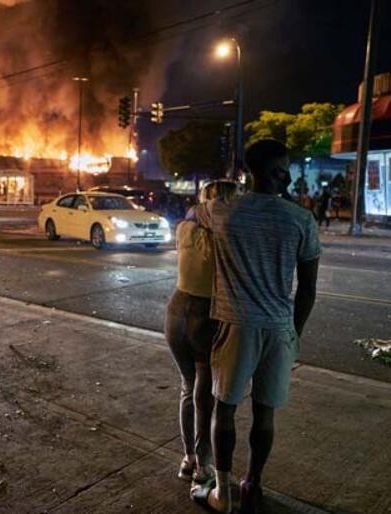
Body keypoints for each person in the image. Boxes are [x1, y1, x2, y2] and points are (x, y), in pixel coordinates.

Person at [191, 139, 320, 514]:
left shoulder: (222, 211)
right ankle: (252, 485)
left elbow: (190, 216)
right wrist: (294, 331)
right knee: (265, 413)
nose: (289, 176)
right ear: (263, 171)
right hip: (279, 329)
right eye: (282, 168)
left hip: (236, 325)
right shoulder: (301, 219)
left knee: (225, 408)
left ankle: (224, 492)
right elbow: (307, 289)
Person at [165, 180, 237, 486]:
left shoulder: (184, 227)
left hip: (176, 310)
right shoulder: (224, 236)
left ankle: (188, 459)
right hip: (204, 317)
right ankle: (203, 465)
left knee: (187, 387)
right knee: (205, 393)